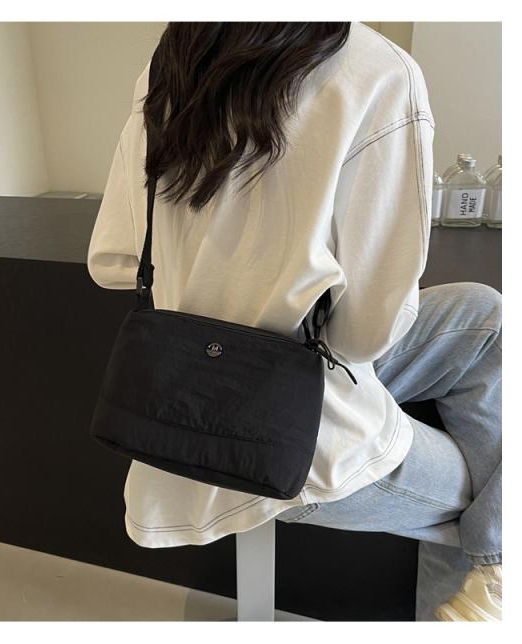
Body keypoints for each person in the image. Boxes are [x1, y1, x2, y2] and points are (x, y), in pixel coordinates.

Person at [87, 22, 501, 621]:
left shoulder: (176, 60)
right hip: (295, 442)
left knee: (486, 316)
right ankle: (490, 586)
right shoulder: (379, 71)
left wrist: (220, 285)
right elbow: (364, 334)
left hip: (183, 393)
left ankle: (490, 585)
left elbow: (113, 261)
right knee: (492, 496)